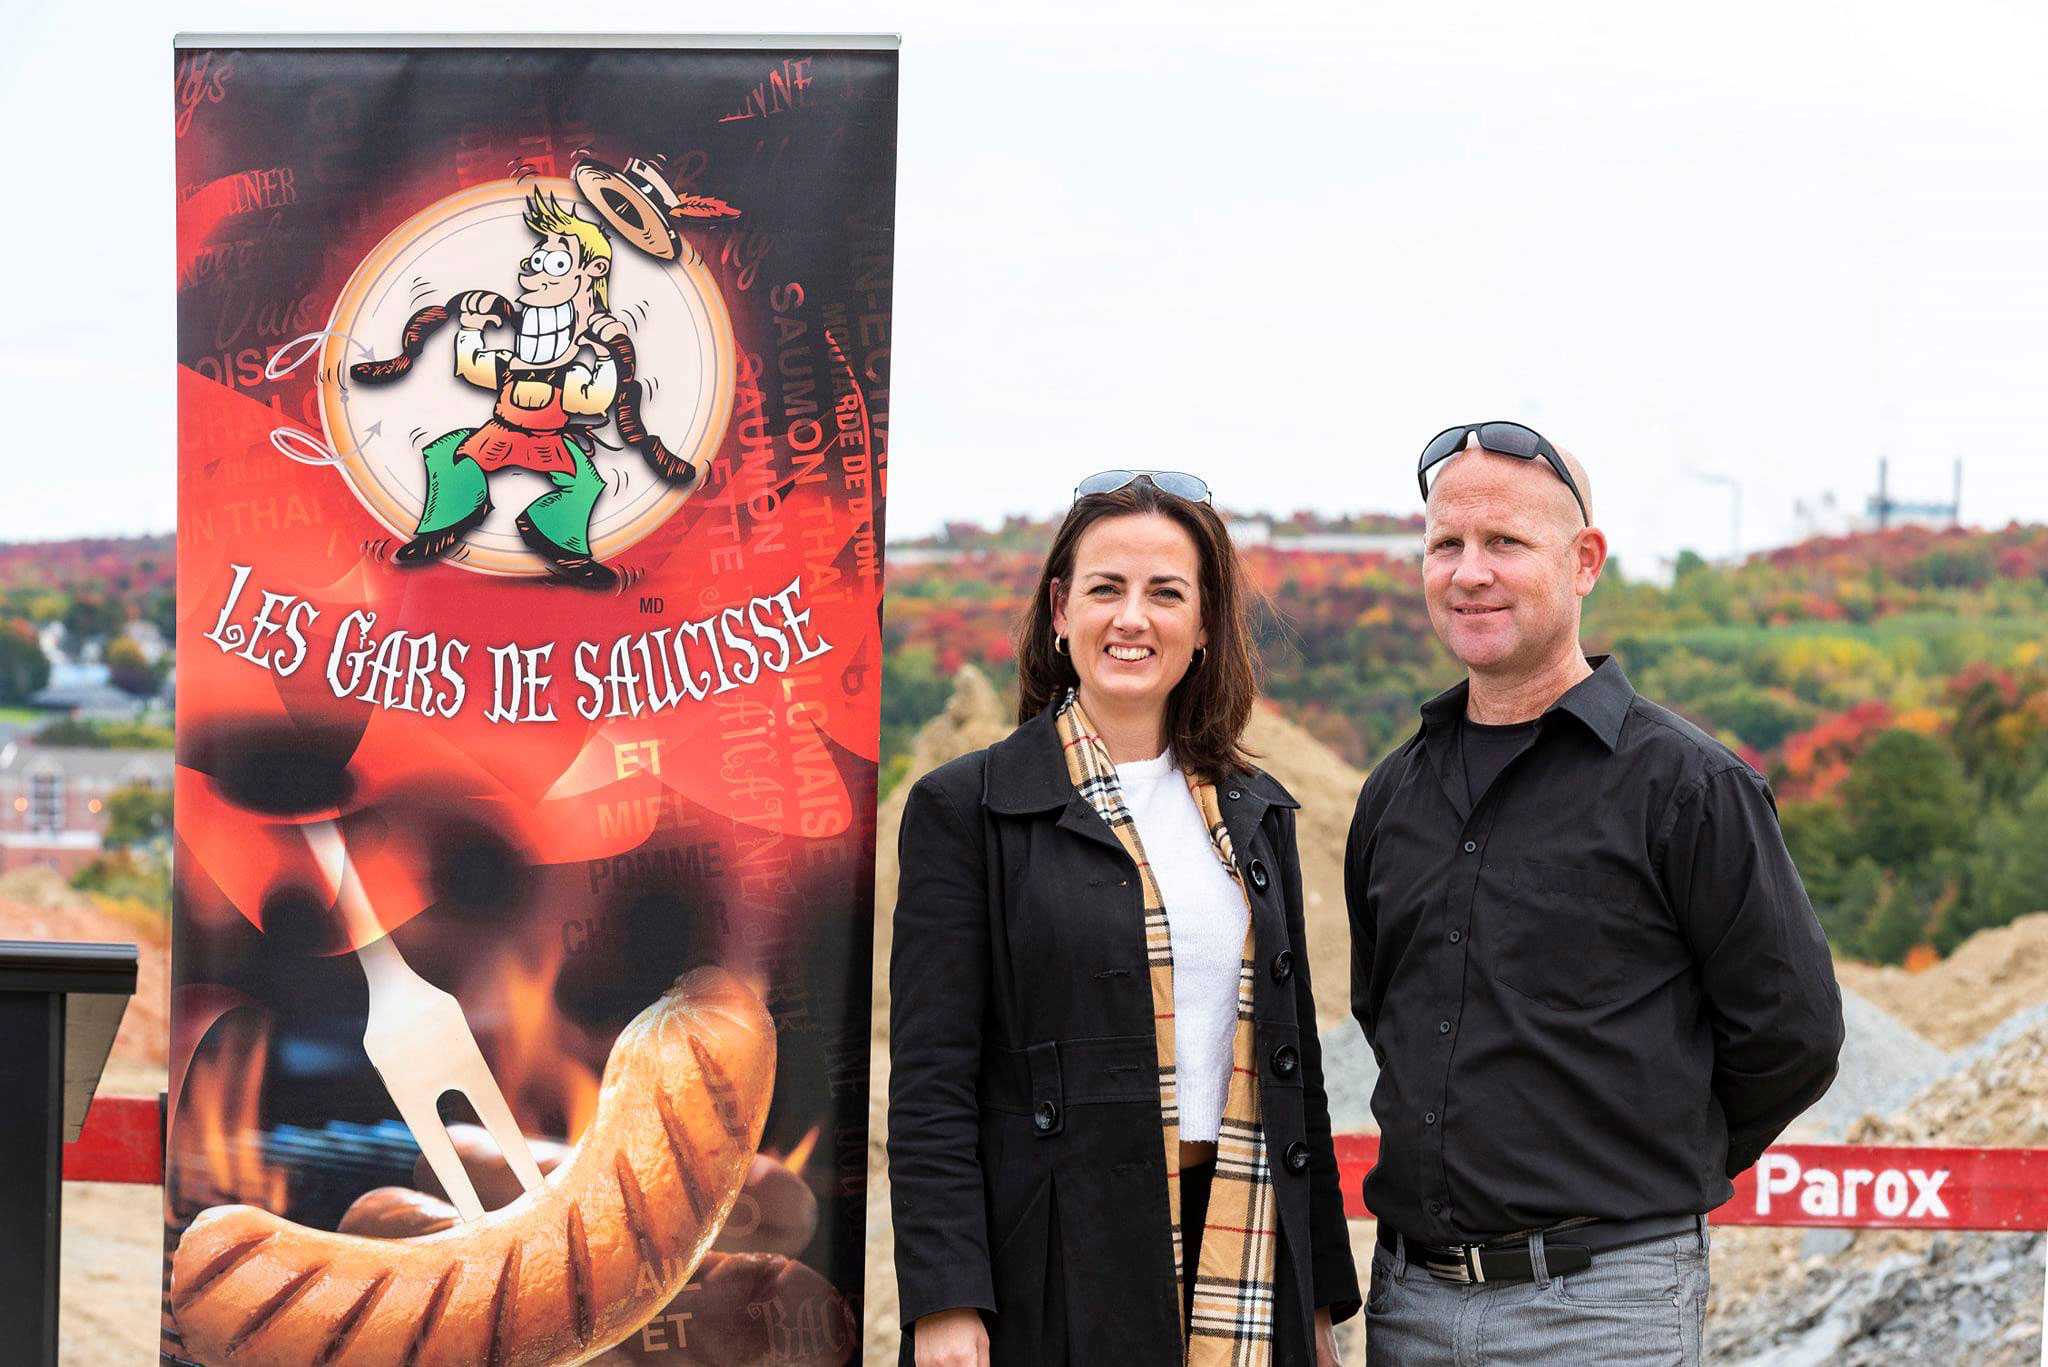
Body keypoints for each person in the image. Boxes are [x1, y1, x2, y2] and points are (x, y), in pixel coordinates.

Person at [1343, 423, 1844, 1365]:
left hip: (1605, 1309)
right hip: (1409, 1304)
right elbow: (1388, 1015)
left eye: (1505, 543)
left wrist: (1647, 1165)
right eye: (1446, 544)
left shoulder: (1688, 789)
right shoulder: (1392, 795)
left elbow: (1793, 1032)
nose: (1469, 571)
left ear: (1583, 562)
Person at [889, 471, 1359, 1366]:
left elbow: (1297, 1078)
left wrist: (1320, 1295)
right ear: (1061, 611)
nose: (1132, 617)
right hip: (1057, 1262)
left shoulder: (1260, 814)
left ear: (1206, 626)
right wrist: (946, 1300)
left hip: (1244, 1247)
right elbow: (930, 1084)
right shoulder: (968, 809)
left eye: (1165, 593)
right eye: (1106, 588)